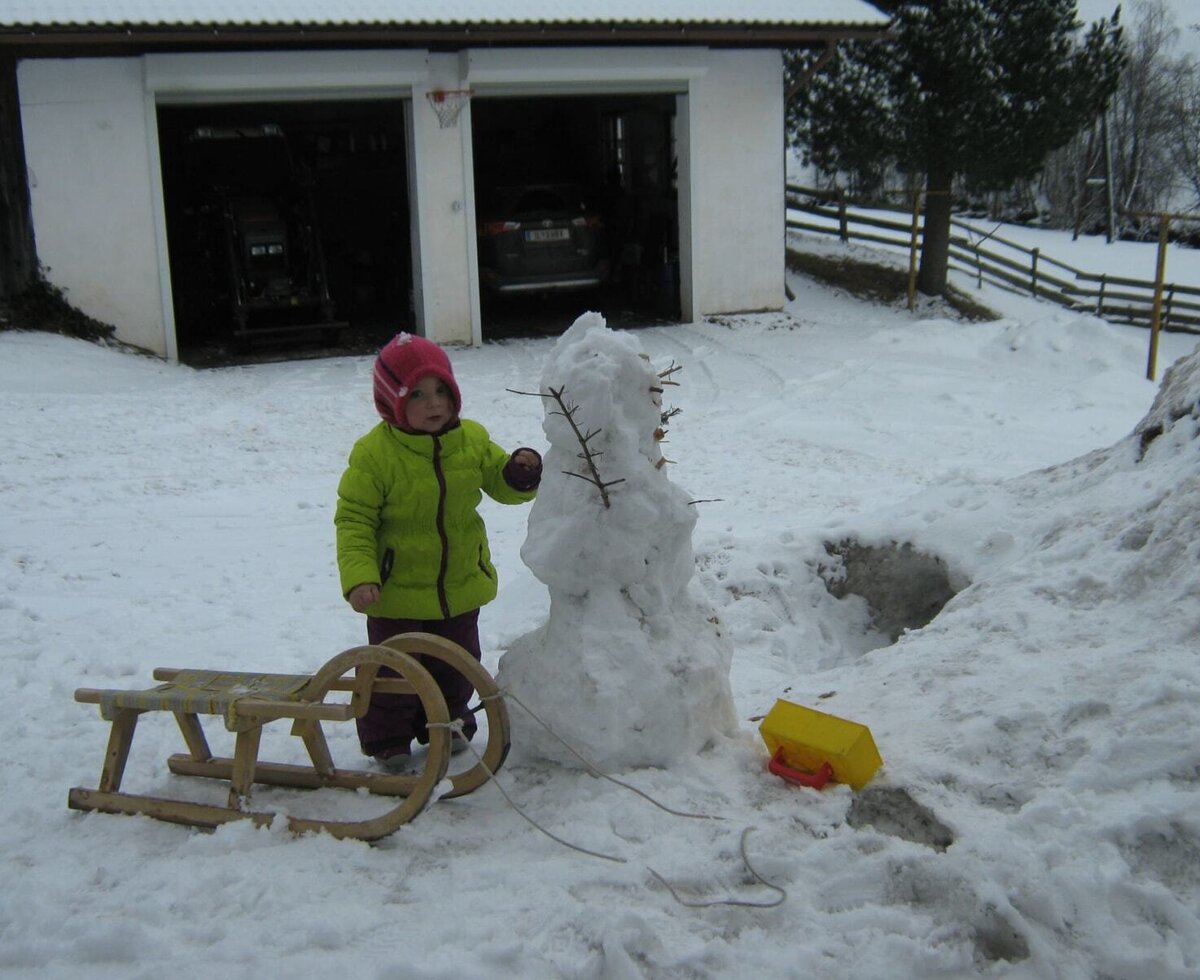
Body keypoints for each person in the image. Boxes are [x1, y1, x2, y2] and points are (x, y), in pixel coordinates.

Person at [335, 332, 542, 771]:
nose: (435, 404)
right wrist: (360, 576)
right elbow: (354, 520)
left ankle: (449, 723)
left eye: (442, 391)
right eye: (419, 394)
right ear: (392, 401)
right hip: (396, 594)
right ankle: (388, 738)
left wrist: (519, 471)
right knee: (396, 672)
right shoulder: (374, 456)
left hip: (460, 584)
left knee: (458, 665)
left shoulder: (470, 440)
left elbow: (500, 483)